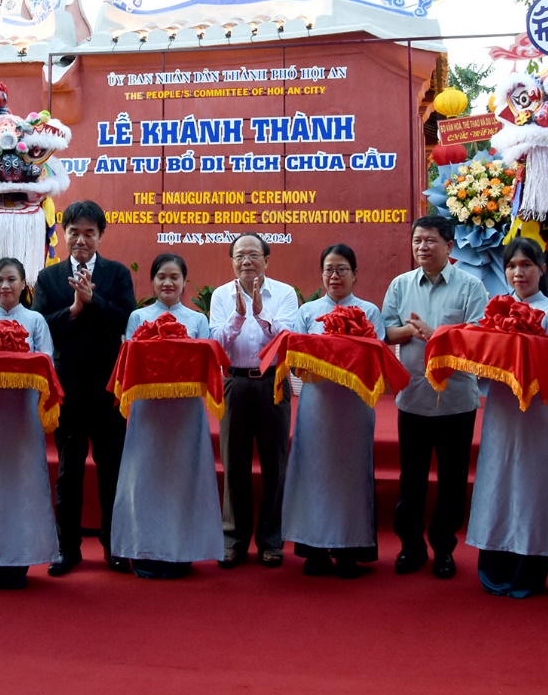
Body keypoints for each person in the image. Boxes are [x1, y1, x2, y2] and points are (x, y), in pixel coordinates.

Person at [31, 200, 136, 575]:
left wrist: (95, 301)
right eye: (73, 231)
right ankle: (67, 548)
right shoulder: (50, 278)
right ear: (64, 233)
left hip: (108, 387)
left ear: (100, 235)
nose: (80, 239)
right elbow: (41, 326)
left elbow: (127, 319)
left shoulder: (116, 273)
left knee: (111, 468)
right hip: (69, 387)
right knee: (68, 471)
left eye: (89, 232)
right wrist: (74, 309)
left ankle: (115, 546)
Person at [382, 215, 489, 580]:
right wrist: (408, 332)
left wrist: (436, 336)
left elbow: (477, 338)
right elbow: (387, 330)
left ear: (449, 245)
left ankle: (444, 548)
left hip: (457, 400)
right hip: (413, 397)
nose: (422, 247)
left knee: (453, 481)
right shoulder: (400, 284)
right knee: (411, 479)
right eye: (417, 241)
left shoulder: (471, 287)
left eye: (429, 241)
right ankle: (410, 547)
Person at [465, 238, 548, 598]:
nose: (519, 272)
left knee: (532, 487)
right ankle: (495, 563)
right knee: (497, 484)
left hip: (536, 414)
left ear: (542, 268)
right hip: (500, 413)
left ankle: (529, 568)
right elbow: (480, 364)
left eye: (526, 265)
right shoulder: (495, 311)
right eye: (512, 266)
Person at [110, 253, 221, 580]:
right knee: (145, 481)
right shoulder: (138, 317)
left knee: (181, 480)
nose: (168, 283)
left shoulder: (198, 320)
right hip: (147, 413)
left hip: (185, 414)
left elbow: (208, 363)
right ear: (153, 281)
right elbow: (129, 361)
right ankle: (145, 550)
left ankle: (181, 550)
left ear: (185, 282)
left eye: (175, 277)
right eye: (161, 277)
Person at [283, 244, 387, 579]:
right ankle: (314, 549)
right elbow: (295, 365)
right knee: (314, 475)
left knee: (349, 476)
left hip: (354, 408)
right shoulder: (307, 312)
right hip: (317, 406)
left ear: (355, 274)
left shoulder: (369, 312)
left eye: (342, 269)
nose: (334, 275)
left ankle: (348, 550)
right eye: (328, 268)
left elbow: (376, 361)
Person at [0, 257, 58, 589]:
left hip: (24, 417)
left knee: (23, 484)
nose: (6, 286)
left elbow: (47, 364)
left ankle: (21, 559)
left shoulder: (35, 321)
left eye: (12, 280)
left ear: (23, 285)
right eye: (0, 280)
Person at [209, 232, 302, 569]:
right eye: (239, 256)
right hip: (234, 381)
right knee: (234, 464)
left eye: (253, 255)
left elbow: (286, 337)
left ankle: (271, 540)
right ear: (232, 261)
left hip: (271, 383)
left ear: (266, 259)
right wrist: (237, 316)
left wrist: (261, 314)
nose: (246, 261)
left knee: (275, 464)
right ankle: (233, 539)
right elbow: (216, 341)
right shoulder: (221, 294)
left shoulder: (285, 293)